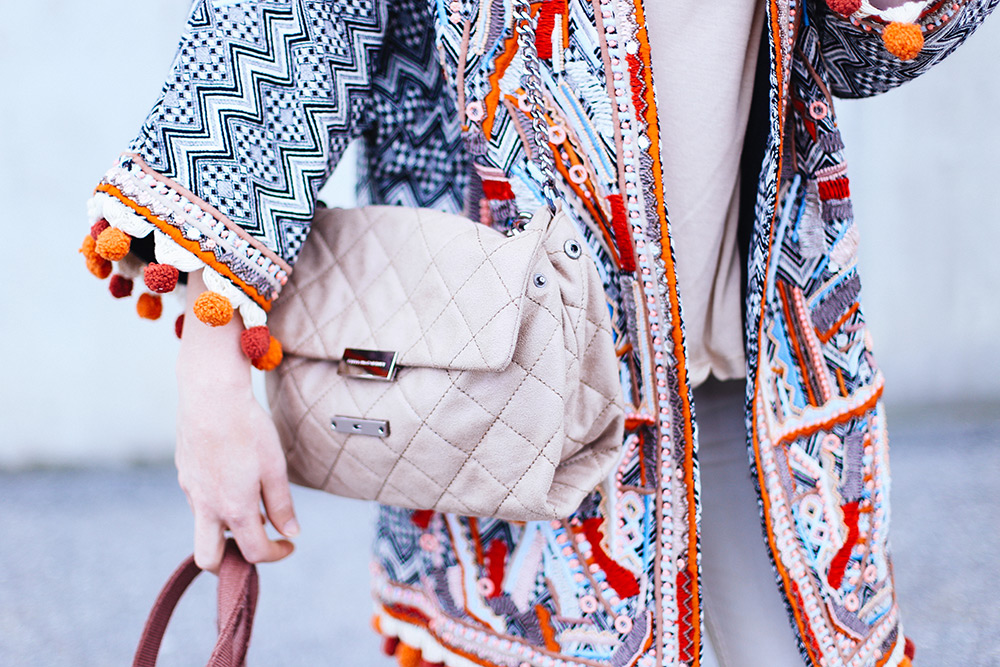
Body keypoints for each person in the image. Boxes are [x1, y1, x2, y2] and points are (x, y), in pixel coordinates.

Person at [79, 1, 996, 665]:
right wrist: (211, 390)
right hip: (510, 396)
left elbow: (860, 54)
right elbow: (270, 46)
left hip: (765, 375)